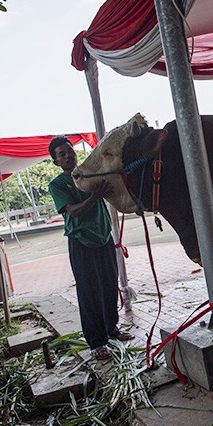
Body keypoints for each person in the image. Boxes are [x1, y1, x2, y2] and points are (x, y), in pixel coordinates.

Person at [48, 136, 132, 360]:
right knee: (89, 291)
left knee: (108, 284)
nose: (68, 156)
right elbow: (73, 210)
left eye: (70, 151)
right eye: (62, 154)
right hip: (81, 242)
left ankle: (111, 328)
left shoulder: (89, 174)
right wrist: (95, 196)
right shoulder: (57, 184)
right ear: (56, 162)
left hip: (103, 237)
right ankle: (96, 342)